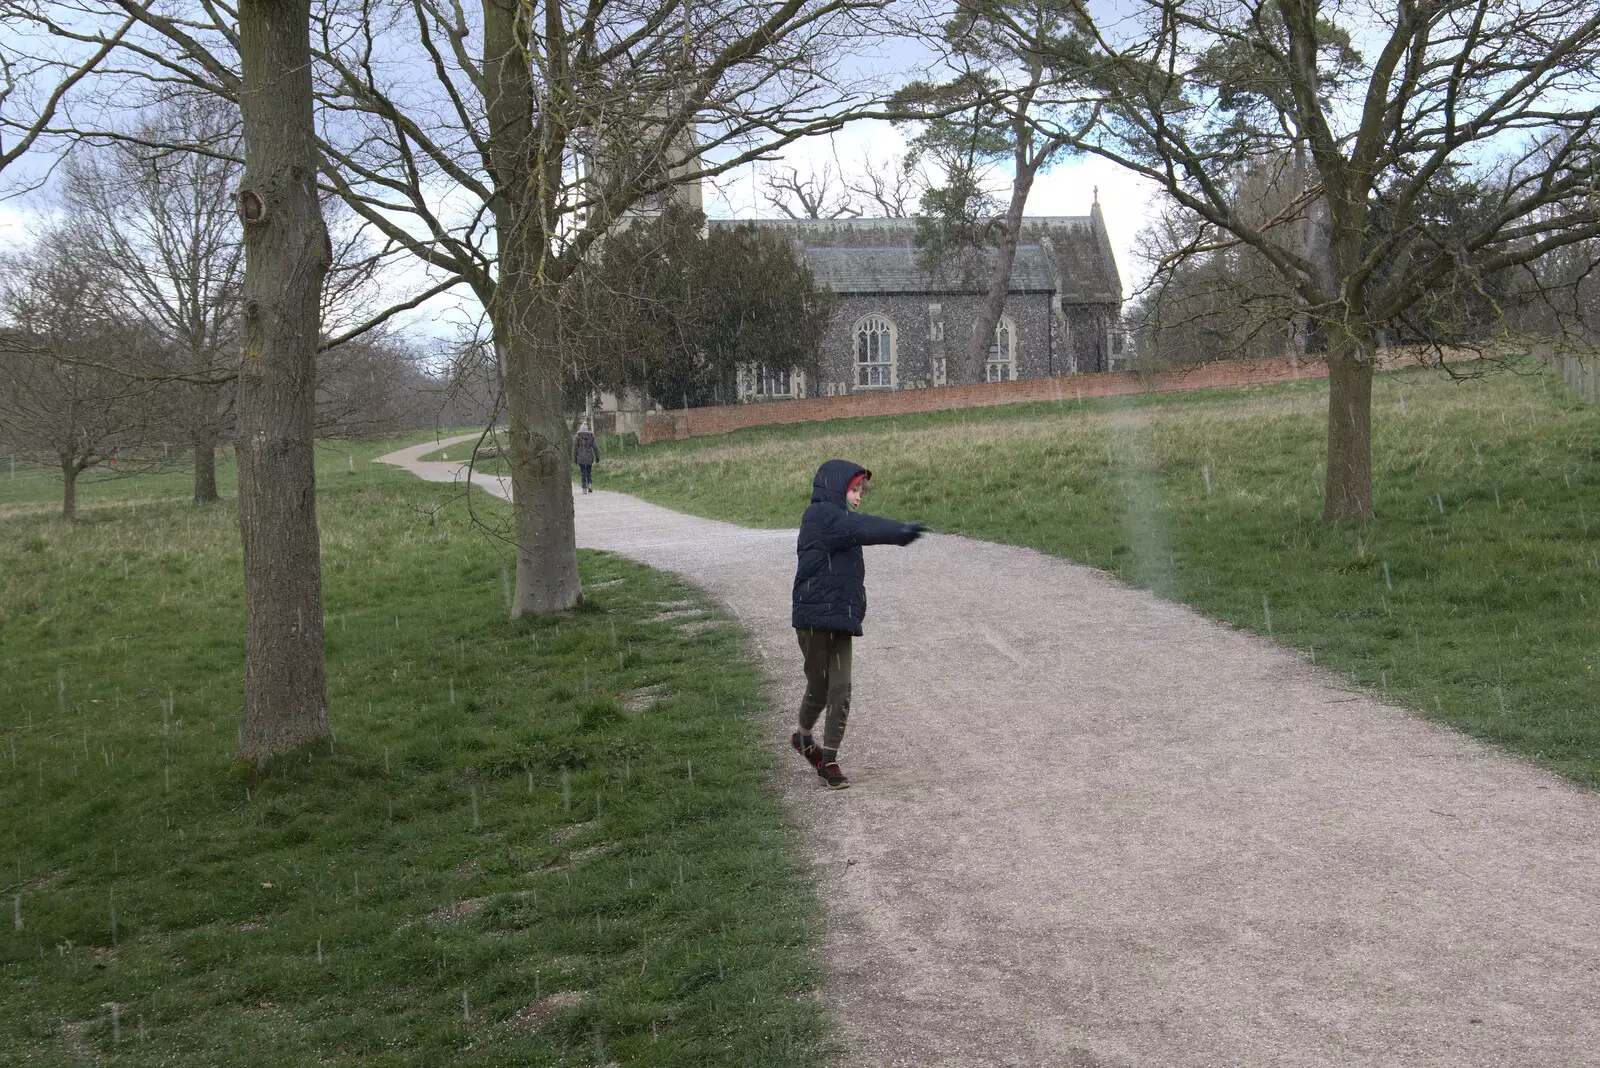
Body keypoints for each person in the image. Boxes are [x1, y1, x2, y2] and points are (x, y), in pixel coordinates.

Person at [791, 459, 928, 789]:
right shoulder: (821, 517)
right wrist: (899, 532)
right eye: (854, 489)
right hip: (812, 619)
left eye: (861, 490)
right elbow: (863, 528)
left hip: (839, 618)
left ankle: (830, 760)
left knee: (842, 689)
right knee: (820, 689)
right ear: (836, 488)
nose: (859, 495)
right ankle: (804, 737)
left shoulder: (839, 521)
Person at [573, 422, 599, 493]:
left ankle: (584, 488)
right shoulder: (591, 437)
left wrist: (575, 458)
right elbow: (595, 448)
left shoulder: (578, 437)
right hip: (589, 457)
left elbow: (575, 449)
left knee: (583, 472)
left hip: (581, 458)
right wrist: (597, 457)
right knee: (589, 471)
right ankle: (590, 486)